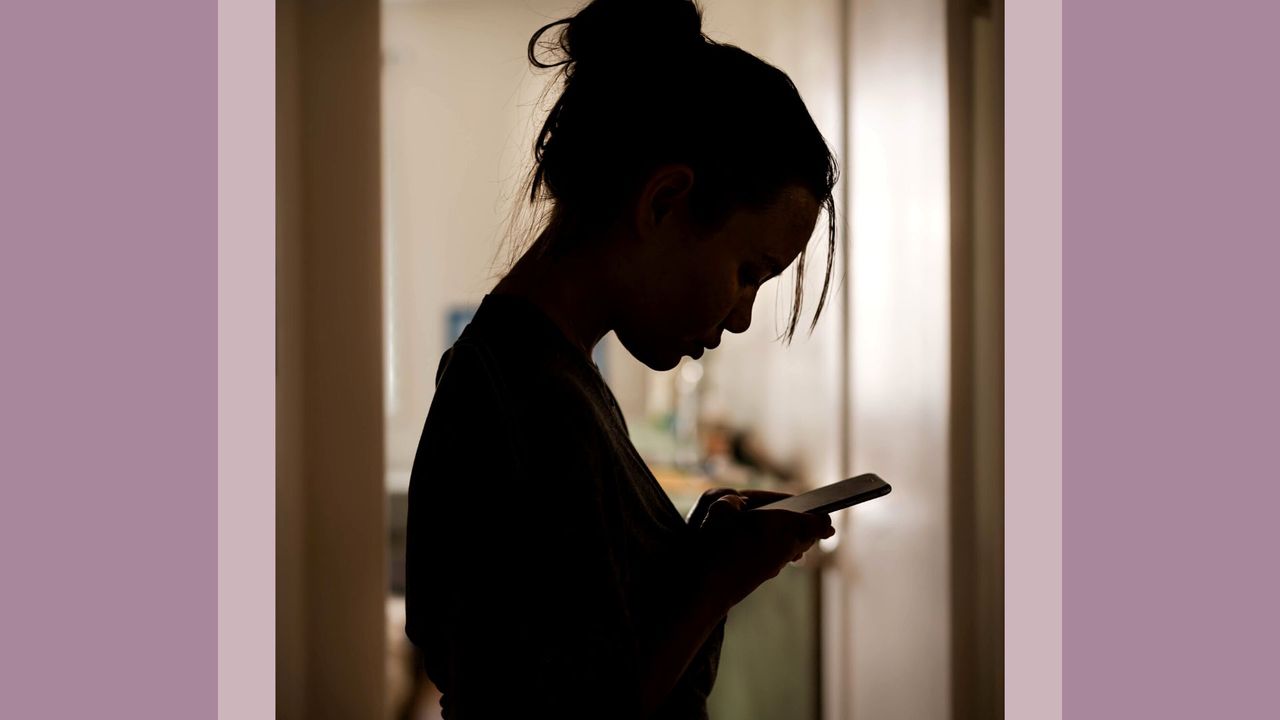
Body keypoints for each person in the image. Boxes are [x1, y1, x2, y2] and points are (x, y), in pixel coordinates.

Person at [404, 0, 840, 717]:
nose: (741, 317)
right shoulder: (528, 401)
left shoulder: (551, 376)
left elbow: (592, 633)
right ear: (665, 202)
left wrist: (700, 552)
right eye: (749, 272)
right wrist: (714, 583)